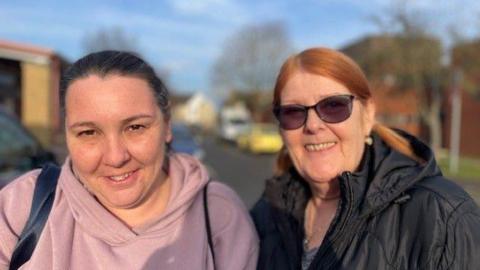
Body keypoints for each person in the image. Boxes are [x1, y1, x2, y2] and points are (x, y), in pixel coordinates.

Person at [0, 51, 258, 270]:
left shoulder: (219, 214)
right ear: (66, 135)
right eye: (88, 132)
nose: (116, 157)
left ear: (167, 126)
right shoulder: (21, 207)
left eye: (135, 127)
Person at [251, 47, 480, 269]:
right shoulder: (266, 215)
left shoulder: (443, 216)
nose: (312, 125)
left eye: (333, 106)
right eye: (293, 112)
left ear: (368, 114)